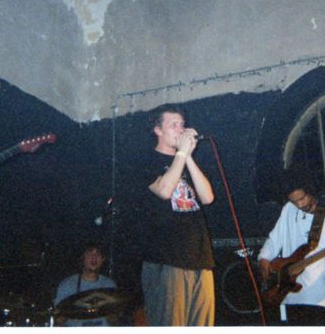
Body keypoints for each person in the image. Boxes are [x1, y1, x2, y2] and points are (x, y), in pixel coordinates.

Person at [137, 104, 216, 326]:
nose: (180, 129)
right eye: (173, 125)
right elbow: (164, 190)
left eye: (182, 124)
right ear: (158, 130)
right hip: (167, 260)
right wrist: (181, 153)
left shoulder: (185, 161)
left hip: (200, 258)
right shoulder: (146, 160)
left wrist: (187, 155)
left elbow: (208, 197)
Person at [258, 174, 325, 325]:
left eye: (302, 198)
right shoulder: (288, 210)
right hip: (288, 297)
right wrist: (264, 258)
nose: (299, 204)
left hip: (318, 299)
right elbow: (274, 240)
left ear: (310, 191)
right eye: (294, 201)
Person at [54, 242, 118, 326]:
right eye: (90, 253)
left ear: (103, 259)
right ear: (82, 258)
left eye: (98, 254)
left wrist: (113, 317)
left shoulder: (109, 285)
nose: (94, 257)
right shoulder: (67, 285)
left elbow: (114, 321)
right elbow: (58, 321)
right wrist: (62, 316)